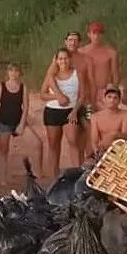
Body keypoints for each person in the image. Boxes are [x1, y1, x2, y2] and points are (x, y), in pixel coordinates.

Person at [42, 31, 96, 161]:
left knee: (88, 133)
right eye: (70, 40)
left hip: (83, 102)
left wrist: (92, 102)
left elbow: (91, 82)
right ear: (65, 41)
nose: (73, 42)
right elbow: (48, 80)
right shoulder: (57, 59)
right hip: (63, 105)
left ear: (79, 43)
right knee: (58, 143)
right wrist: (58, 96)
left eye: (76, 40)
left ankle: (87, 164)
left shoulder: (85, 59)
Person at [0, 63, 41, 186]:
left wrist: (22, 124)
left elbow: (26, 106)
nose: (13, 73)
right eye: (11, 71)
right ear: (8, 72)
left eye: (16, 71)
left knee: (37, 143)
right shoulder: (1, 86)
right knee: (3, 150)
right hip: (3, 121)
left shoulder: (23, 87)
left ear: (19, 73)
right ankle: (3, 178)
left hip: (18, 120)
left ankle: (39, 173)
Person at [40, 49, 84, 177]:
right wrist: (57, 97)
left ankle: (77, 175)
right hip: (53, 111)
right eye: (60, 58)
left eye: (65, 58)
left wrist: (75, 111)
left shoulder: (77, 74)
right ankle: (54, 177)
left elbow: (82, 95)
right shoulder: (51, 76)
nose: (63, 61)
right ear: (56, 60)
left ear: (70, 59)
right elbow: (42, 94)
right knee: (53, 145)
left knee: (73, 141)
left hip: (70, 111)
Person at [78, 21, 120, 109]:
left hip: (103, 92)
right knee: (89, 119)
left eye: (99, 33)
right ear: (89, 34)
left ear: (102, 35)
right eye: (94, 33)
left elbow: (115, 75)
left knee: (106, 119)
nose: (96, 36)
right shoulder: (81, 52)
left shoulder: (111, 53)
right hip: (87, 92)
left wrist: (113, 93)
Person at [88, 85, 127, 162]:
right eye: (109, 97)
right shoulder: (95, 117)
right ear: (104, 99)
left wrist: (115, 134)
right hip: (102, 151)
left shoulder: (125, 115)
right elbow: (94, 140)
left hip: (119, 151)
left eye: (115, 98)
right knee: (85, 167)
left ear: (119, 100)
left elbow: (126, 135)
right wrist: (96, 150)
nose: (112, 100)